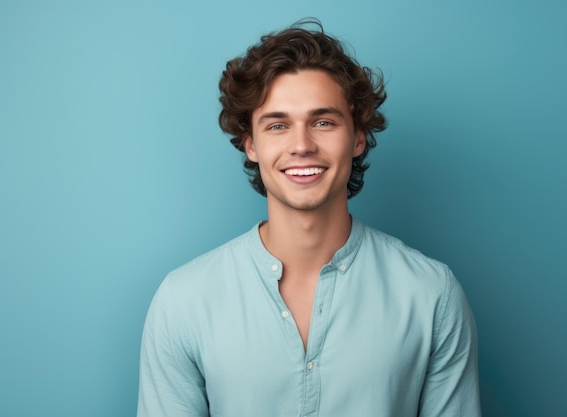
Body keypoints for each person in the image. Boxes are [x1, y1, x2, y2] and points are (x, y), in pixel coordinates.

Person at [137, 19, 481, 417]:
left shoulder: (431, 295)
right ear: (251, 143)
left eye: (323, 122)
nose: (301, 145)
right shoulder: (183, 302)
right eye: (278, 125)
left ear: (358, 138)